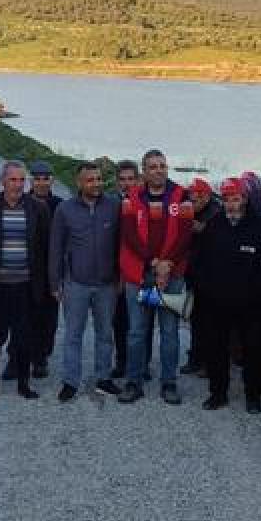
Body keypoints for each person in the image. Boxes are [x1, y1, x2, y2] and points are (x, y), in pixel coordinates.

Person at [117, 149, 195, 405]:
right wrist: (153, 263)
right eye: (153, 166)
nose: (159, 170)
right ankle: (133, 382)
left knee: (170, 332)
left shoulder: (182, 196)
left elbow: (185, 236)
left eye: (162, 165)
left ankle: (169, 383)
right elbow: (130, 235)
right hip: (139, 273)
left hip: (172, 275)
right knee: (137, 331)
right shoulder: (131, 197)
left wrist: (166, 264)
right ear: (144, 171)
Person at [196, 178, 261, 414]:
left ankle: (253, 396)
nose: (231, 204)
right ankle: (217, 393)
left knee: (253, 351)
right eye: (228, 199)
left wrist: (255, 294)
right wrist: (207, 291)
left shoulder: (259, 226)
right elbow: (201, 262)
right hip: (216, 302)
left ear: (245, 199)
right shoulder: (214, 225)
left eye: (236, 199)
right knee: (216, 349)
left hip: (250, 304)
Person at [0, 161, 51, 401]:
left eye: (21, 180)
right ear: (2, 181)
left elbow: (45, 247)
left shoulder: (38, 208)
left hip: (27, 286)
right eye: (13, 180)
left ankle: (23, 384)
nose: (18, 185)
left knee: (24, 337)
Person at [50, 162, 122, 402]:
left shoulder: (114, 207)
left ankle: (104, 378)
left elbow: (123, 244)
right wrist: (55, 282)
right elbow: (56, 247)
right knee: (73, 334)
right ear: (79, 184)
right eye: (90, 180)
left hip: (106, 284)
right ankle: (70, 381)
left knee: (105, 334)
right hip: (75, 283)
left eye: (99, 179)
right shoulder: (64, 209)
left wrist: (121, 277)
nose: (96, 184)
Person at [110, 159, 150, 380]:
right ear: (117, 183)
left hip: (142, 272)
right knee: (120, 320)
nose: (127, 184)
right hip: (118, 272)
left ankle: (142, 365)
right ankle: (122, 361)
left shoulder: (147, 203)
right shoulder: (111, 204)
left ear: (139, 180)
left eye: (131, 179)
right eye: (122, 180)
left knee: (144, 320)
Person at [24, 160, 63, 379]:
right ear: (31, 180)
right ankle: (17, 358)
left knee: (48, 320)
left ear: (52, 180)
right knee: (22, 317)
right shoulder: (21, 201)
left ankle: (41, 358)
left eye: (45, 178)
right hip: (25, 269)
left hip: (51, 271)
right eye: (37, 178)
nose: (41, 183)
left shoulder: (60, 204)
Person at [180, 177, 219, 376]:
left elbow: (220, 242)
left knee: (210, 322)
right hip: (194, 273)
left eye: (198, 194)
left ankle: (208, 362)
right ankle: (195, 358)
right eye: (191, 193)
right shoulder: (190, 209)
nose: (193, 197)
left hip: (211, 275)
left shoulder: (214, 214)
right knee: (196, 319)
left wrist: (203, 230)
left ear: (207, 195)